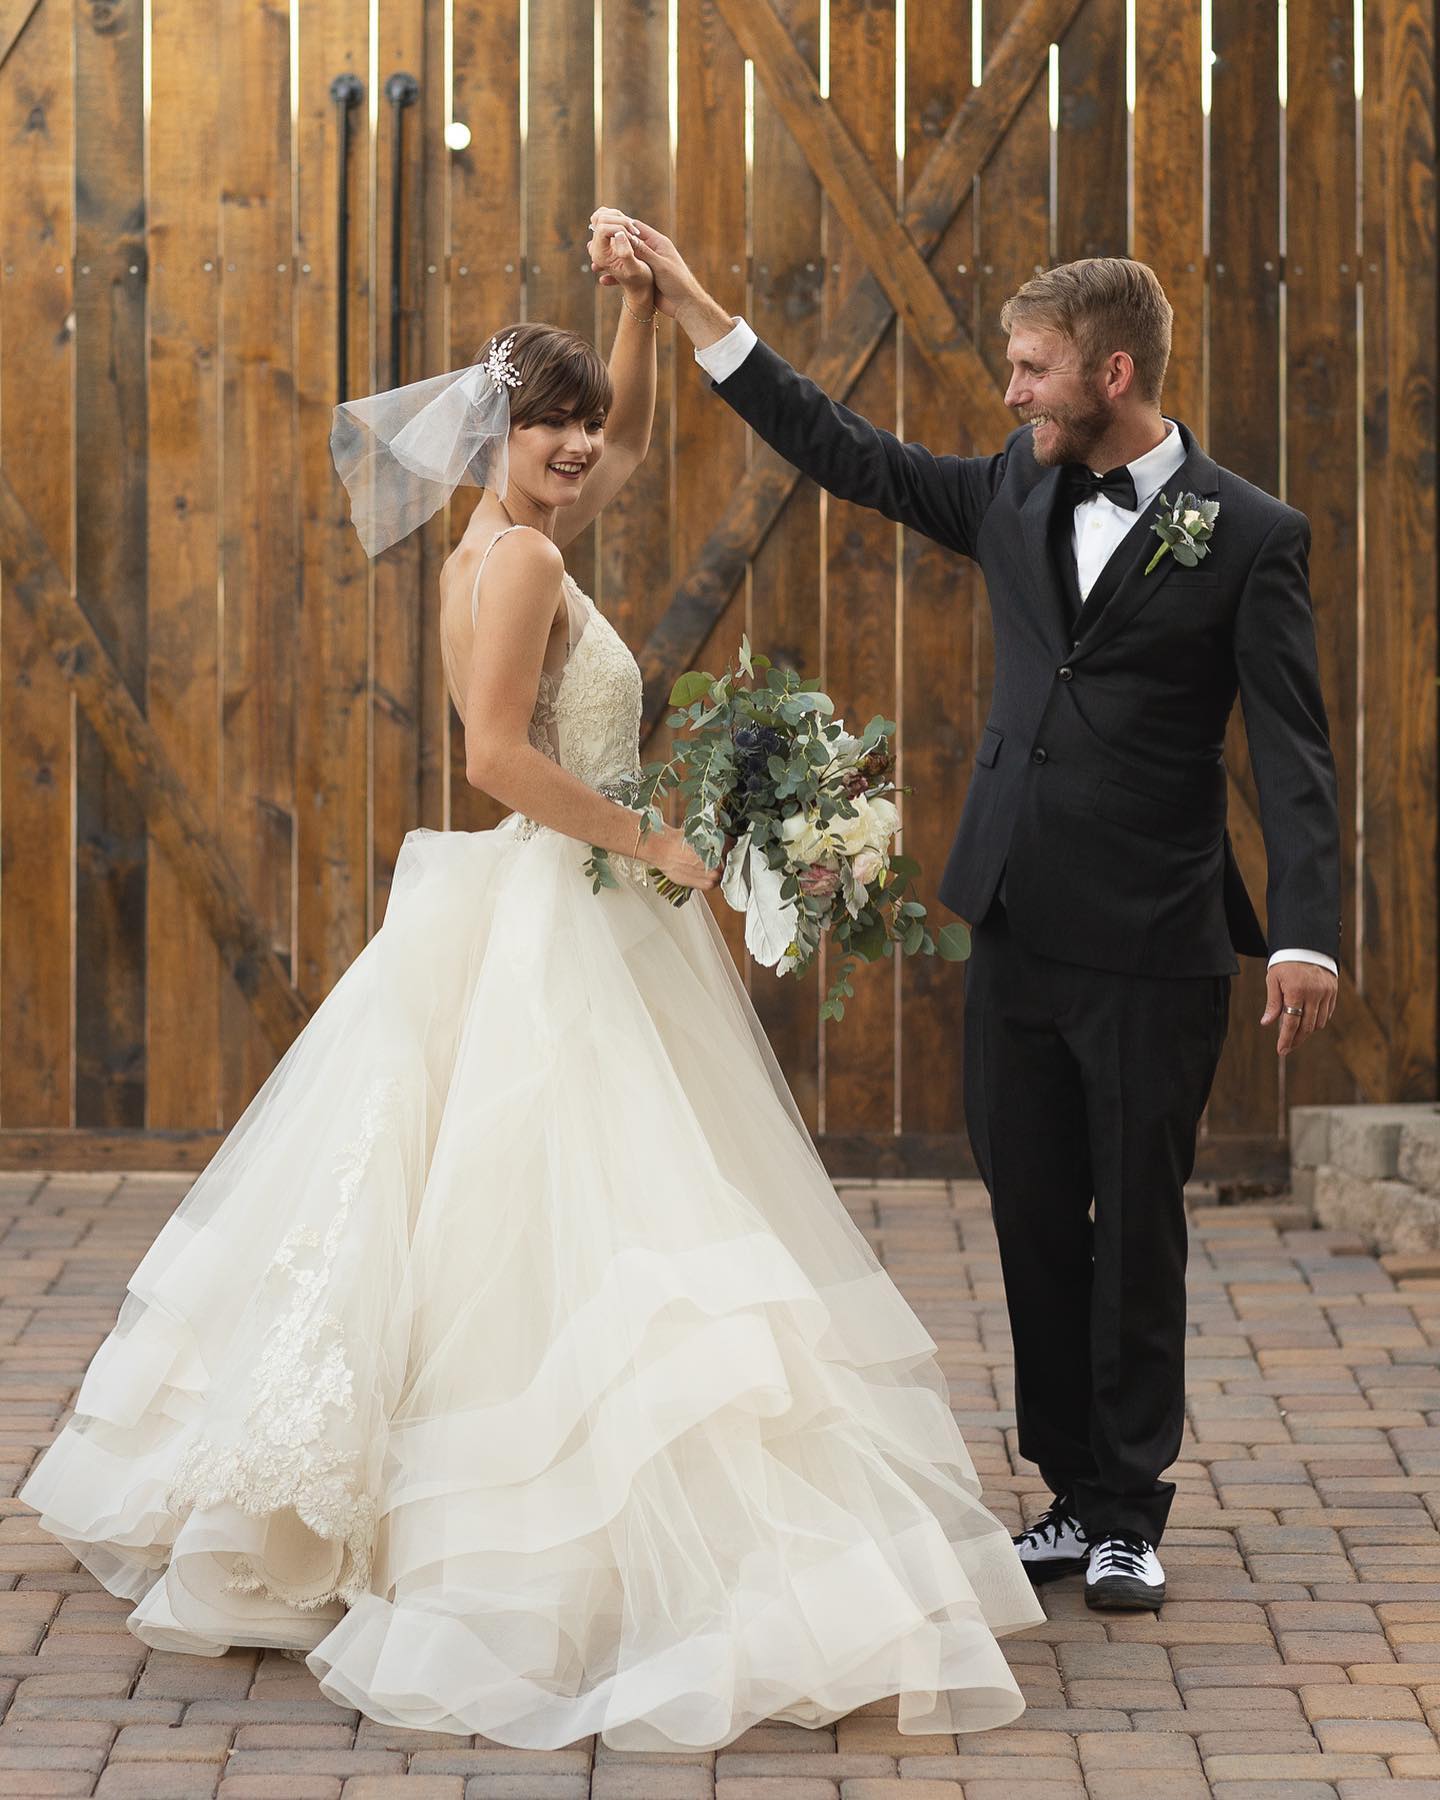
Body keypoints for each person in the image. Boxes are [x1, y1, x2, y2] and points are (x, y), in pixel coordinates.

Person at [16, 219, 1043, 1751]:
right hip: (568, 893)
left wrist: (635, 307)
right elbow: (498, 759)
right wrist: (657, 843)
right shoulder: (525, 561)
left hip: (571, 897)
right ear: (493, 435)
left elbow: (617, 445)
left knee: (577, 1205)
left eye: (580, 423)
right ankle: (545, 1529)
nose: (576, 445)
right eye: (545, 425)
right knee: (591, 1210)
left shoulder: (508, 537)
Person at [598, 207, 1342, 1614]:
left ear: (1112, 374)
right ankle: (1066, 1492)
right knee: (1030, 1223)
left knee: (1139, 1225)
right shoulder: (1010, 491)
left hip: (1155, 945)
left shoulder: (1249, 538)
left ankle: (1130, 1509)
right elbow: (847, 451)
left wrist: (1304, 934)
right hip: (1010, 925)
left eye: (1033, 370)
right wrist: (697, 303)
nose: (1011, 393)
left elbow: (1294, 754)